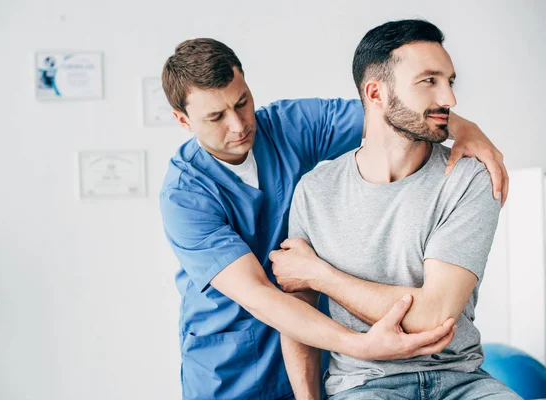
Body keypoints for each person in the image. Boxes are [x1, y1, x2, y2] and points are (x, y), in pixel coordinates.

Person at [159, 37, 509, 400]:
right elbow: (261, 295)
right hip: (232, 358)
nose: (238, 125)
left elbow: (391, 109)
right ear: (183, 120)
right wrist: (361, 346)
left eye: (242, 102)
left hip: (316, 337)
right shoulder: (185, 195)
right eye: (216, 117)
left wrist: (465, 128)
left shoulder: (291, 126)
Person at [271, 19, 520, 400]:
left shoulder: (469, 177)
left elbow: (433, 317)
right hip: (364, 385)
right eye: (429, 81)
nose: (450, 100)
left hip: (462, 380)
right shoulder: (315, 190)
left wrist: (319, 274)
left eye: (449, 82)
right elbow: (298, 317)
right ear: (376, 93)